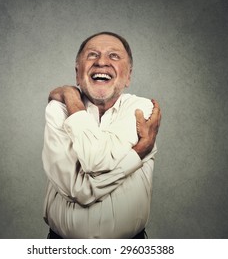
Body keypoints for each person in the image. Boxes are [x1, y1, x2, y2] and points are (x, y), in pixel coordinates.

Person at [42, 32, 161, 239]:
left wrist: (71, 96)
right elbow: (76, 191)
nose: (102, 62)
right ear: (78, 73)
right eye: (92, 55)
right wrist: (138, 154)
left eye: (114, 56)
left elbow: (94, 161)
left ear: (129, 76)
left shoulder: (143, 109)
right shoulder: (57, 110)